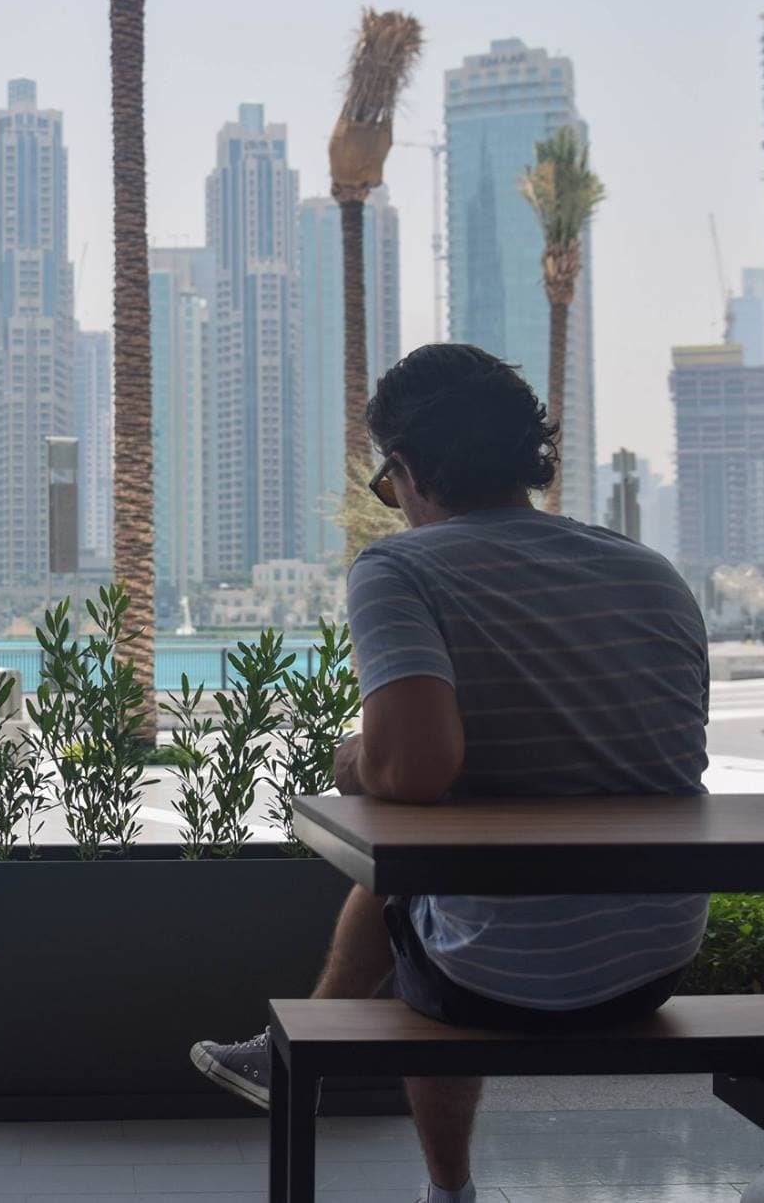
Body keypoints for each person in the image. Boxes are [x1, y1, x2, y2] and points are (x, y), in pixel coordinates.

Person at [191, 345, 710, 1203]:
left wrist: (354, 760)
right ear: (525, 454)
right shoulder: (650, 572)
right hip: (656, 955)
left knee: (423, 880)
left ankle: (447, 1188)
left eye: (388, 487)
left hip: (500, 978)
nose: (393, 508)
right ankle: (295, 1053)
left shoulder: (401, 569)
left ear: (407, 468)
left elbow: (416, 767)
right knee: (417, 878)